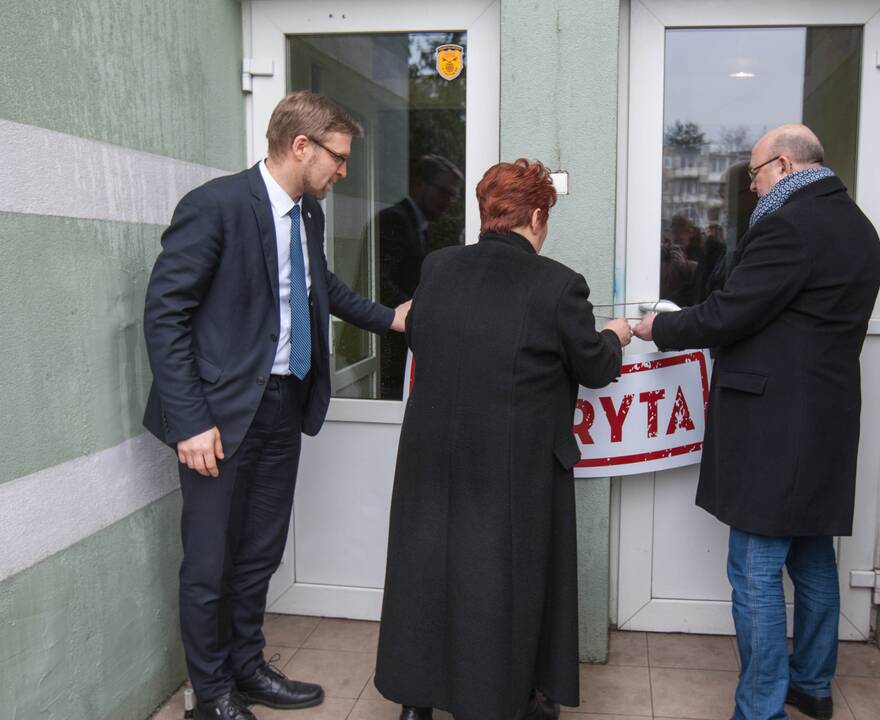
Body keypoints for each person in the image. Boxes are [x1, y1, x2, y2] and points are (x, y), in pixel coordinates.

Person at [143, 91, 410, 720]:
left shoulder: (306, 215)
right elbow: (165, 317)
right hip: (217, 417)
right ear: (301, 147)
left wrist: (392, 320)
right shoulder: (216, 206)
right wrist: (190, 422)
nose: (343, 171)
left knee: (261, 551)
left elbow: (323, 288)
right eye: (338, 158)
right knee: (210, 561)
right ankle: (210, 696)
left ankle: (247, 667)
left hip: (282, 404)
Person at [634, 124, 880, 720]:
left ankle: (761, 707)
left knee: (754, 569)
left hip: (774, 424)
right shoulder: (857, 226)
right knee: (813, 557)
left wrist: (658, 329)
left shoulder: (790, 224)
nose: (751, 186)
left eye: (754, 173)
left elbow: (729, 313)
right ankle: (813, 687)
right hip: (823, 417)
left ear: (785, 165)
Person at [374, 159, 631, 720]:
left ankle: (418, 700)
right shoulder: (559, 284)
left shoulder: (438, 268)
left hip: (433, 458)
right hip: (514, 467)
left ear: (486, 212)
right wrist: (615, 334)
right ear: (536, 215)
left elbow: (422, 334)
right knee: (504, 583)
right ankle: (504, 699)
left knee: (430, 573)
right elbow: (592, 366)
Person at [376, 154, 464, 398]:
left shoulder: (419, 225)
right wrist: (421, 313)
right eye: (444, 192)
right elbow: (380, 283)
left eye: (453, 195)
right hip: (392, 346)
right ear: (420, 185)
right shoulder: (394, 221)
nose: (448, 202)